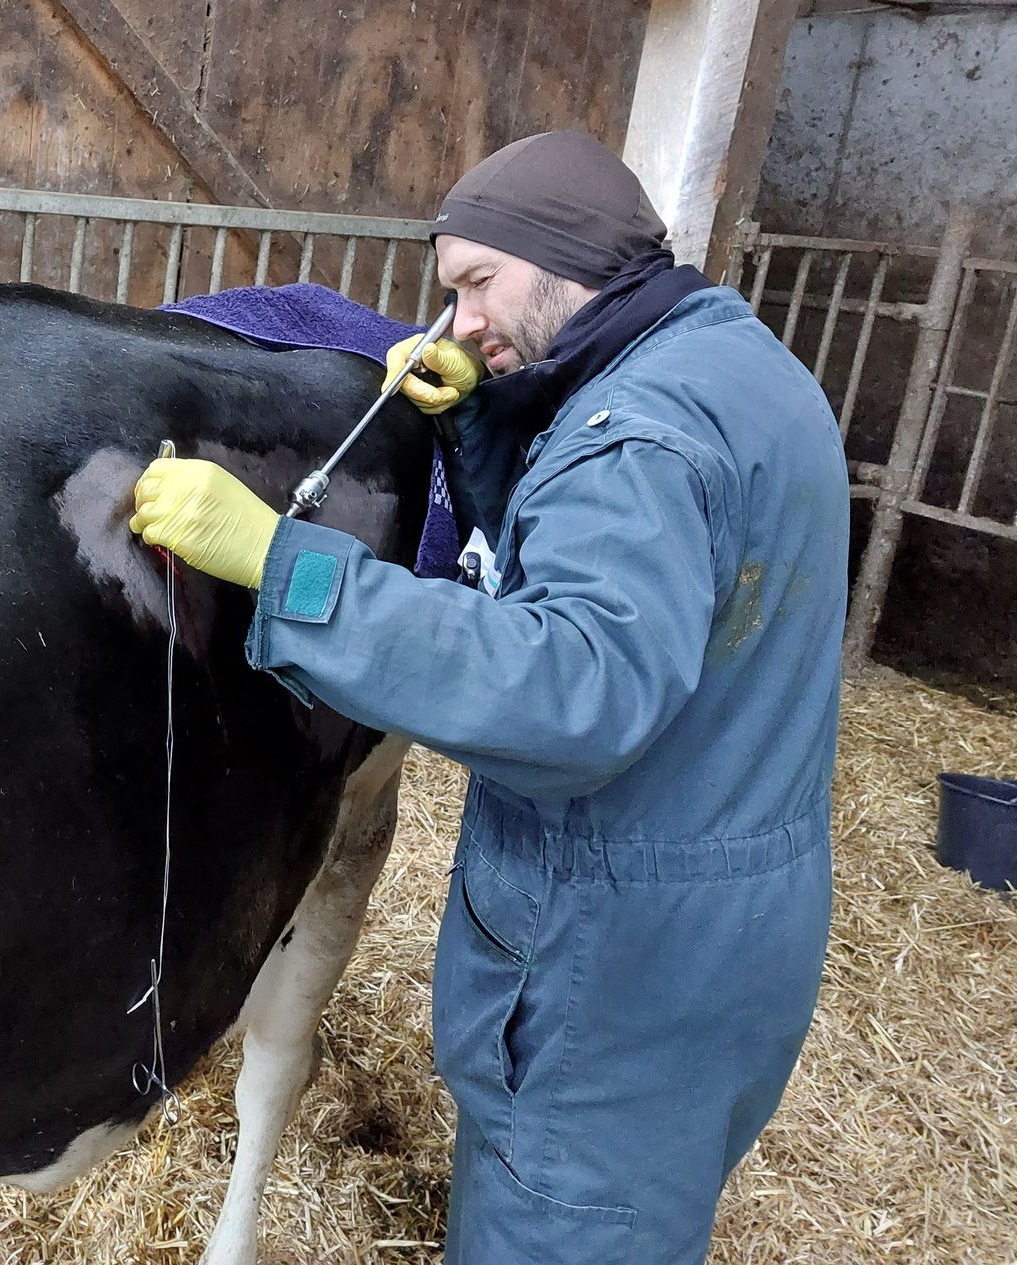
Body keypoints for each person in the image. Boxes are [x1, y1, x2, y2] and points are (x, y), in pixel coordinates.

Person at [129, 130, 848, 1264]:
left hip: (609, 979)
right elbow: (628, 572)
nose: (459, 322)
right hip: (717, 926)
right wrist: (486, 427)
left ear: (567, 259)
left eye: (477, 283)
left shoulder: (637, 438)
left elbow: (569, 691)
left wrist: (285, 567)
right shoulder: (738, 369)